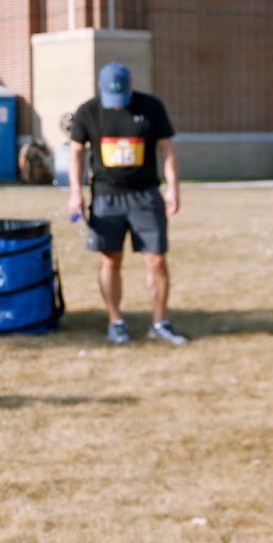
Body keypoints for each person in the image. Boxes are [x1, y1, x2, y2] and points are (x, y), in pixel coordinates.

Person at [67, 61, 188, 346]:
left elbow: (166, 150)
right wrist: (75, 192)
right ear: (100, 87)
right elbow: (76, 153)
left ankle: (159, 323)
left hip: (145, 194)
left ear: (131, 85)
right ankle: (115, 321)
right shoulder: (88, 112)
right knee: (110, 258)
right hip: (106, 196)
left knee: (156, 258)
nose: (117, 106)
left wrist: (173, 189)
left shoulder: (151, 108)